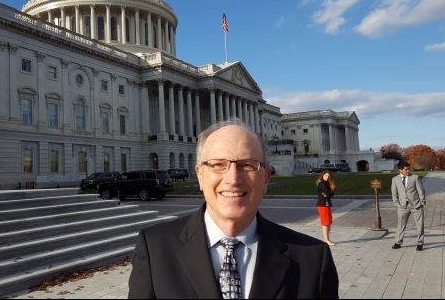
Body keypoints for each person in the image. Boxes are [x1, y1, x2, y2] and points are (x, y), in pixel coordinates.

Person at [128, 120, 339, 299]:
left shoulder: (312, 258)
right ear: (200, 176)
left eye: (247, 165)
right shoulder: (155, 249)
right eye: (218, 164)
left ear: (266, 178)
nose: (233, 179)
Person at [391, 160, 426, 251]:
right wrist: (397, 204)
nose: (408, 171)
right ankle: (398, 242)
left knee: (419, 225)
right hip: (402, 207)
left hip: (416, 206)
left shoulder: (415, 177)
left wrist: (422, 202)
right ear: (400, 170)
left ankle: (420, 243)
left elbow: (421, 191)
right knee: (401, 225)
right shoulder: (395, 179)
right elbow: (394, 194)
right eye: (406, 170)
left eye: (408, 169)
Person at [316, 170, 337, 246]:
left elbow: (330, 194)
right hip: (322, 205)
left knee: (329, 222)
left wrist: (329, 193)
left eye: (328, 176)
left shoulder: (327, 183)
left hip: (326, 205)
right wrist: (329, 193)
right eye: (325, 175)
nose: (327, 177)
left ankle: (328, 239)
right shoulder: (322, 183)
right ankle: (326, 240)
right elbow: (329, 193)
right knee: (325, 223)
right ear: (322, 176)